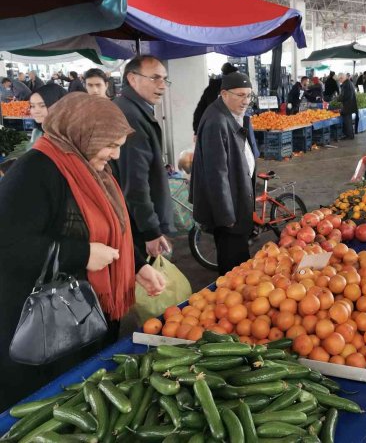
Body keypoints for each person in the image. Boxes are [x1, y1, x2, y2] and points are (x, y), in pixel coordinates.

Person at [0, 92, 165, 412]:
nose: (116, 155)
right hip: (45, 328)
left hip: (87, 315)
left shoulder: (93, 167)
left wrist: (137, 266)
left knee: (87, 399)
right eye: (111, 145)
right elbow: (9, 243)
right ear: (81, 134)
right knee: (51, 407)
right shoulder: (35, 171)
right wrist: (82, 255)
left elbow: (114, 228)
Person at [190, 72, 256, 275]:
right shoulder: (216, 121)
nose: (245, 101)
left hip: (237, 201)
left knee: (238, 257)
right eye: (240, 95)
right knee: (234, 263)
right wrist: (226, 215)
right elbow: (216, 174)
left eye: (249, 95)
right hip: (230, 212)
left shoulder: (229, 114)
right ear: (224, 94)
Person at [113, 55, 175, 261]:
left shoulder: (133, 109)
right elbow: (136, 181)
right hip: (136, 225)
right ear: (132, 78)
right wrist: (150, 230)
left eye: (164, 79)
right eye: (155, 78)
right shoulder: (131, 116)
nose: (162, 85)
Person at [192, 62, 238, 135]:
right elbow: (200, 111)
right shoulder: (215, 89)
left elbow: (199, 111)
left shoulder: (213, 88)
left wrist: (197, 131)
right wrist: (197, 131)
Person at [337, 73, 358, 139]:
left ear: (341, 78)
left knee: (347, 121)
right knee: (348, 121)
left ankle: (349, 135)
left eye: (339, 79)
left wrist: (338, 99)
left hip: (347, 105)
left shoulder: (346, 84)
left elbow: (345, 96)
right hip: (349, 105)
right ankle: (349, 135)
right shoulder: (349, 83)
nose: (339, 81)